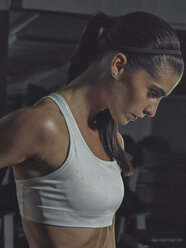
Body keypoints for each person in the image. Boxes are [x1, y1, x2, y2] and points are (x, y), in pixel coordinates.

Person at [0, 11, 184, 248]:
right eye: (153, 93)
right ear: (118, 64)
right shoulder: (42, 125)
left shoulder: (113, 139)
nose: (152, 111)